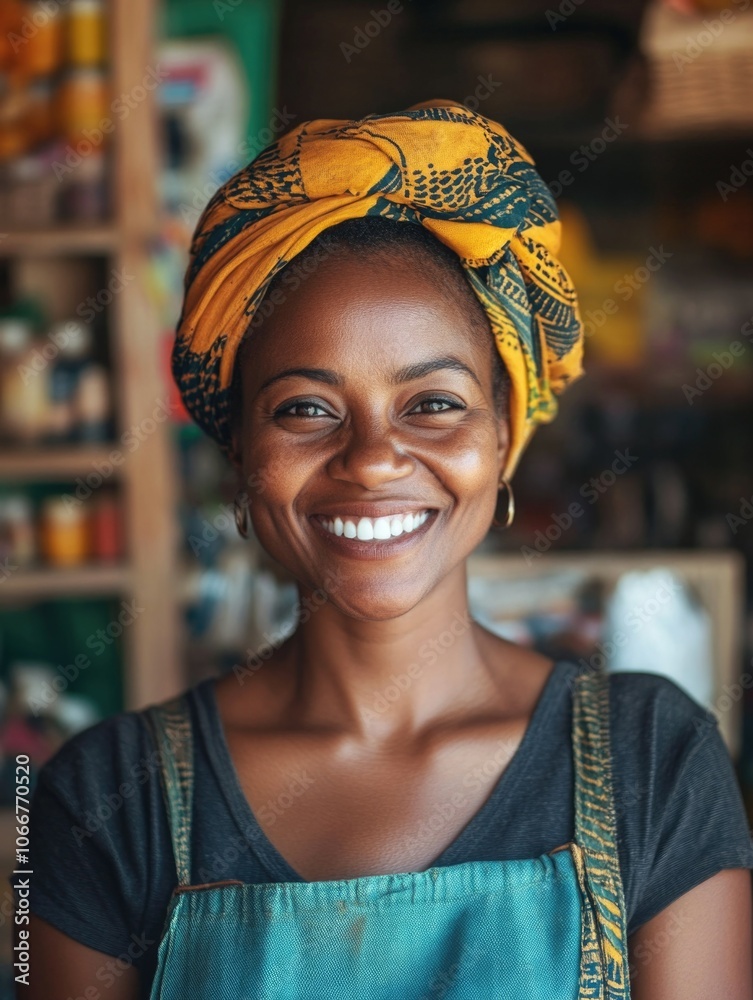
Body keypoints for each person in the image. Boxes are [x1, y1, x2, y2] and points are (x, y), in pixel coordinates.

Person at [17, 101, 753, 1000]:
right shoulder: (101, 801)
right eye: (305, 409)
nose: (371, 459)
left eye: (433, 403)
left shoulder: (653, 762)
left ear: (503, 433)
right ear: (241, 456)